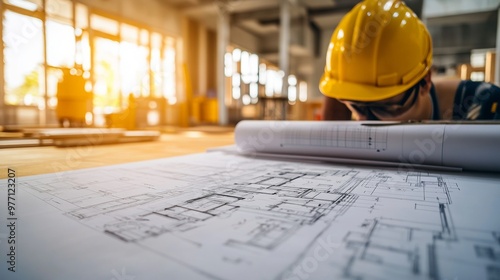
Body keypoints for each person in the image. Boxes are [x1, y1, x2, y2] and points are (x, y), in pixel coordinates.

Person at [319, 0, 500, 121]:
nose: (369, 123)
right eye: (357, 107)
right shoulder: (353, 103)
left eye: (387, 108)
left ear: (425, 82)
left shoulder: (485, 105)